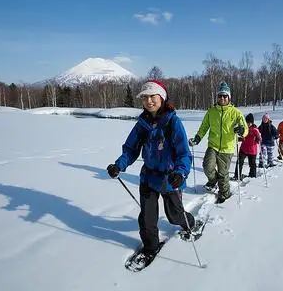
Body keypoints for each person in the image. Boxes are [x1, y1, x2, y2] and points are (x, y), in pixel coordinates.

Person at [106, 79, 198, 264]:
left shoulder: (173, 121)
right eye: (145, 97)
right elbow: (131, 149)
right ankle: (150, 247)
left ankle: (190, 222)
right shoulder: (142, 124)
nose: (149, 101)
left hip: (170, 178)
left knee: (174, 216)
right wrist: (119, 165)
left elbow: (183, 153)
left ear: (161, 97)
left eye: (152, 96)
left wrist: (180, 173)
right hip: (148, 178)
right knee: (147, 219)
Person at [188, 82, 248, 204]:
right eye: (220, 96)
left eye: (225, 96)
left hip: (227, 148)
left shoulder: (236, 113)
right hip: (213, 145)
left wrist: (242, 130)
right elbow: (204, 127)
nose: (222, 98)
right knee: (207, 166)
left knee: (223, 173)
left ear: (229, 97)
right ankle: (213, 180)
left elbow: (245, 128)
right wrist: (198, 138)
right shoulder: (211, 111)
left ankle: (224, 193)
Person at [231, 113, 261, 181]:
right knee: (239, 162)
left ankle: (252, 176)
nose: (248, 124)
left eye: (249, 123)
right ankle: (237, 175)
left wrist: (258, 139)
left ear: (252, 123)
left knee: (252, 164)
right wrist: (238, 138)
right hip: (243, 149)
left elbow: (259, 139)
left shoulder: (255, 130)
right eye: (247, 122)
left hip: (252, 150)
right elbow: (243, 137)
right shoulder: (244, 129)